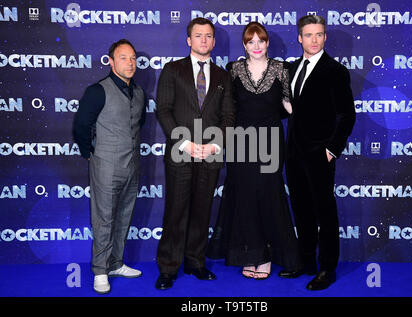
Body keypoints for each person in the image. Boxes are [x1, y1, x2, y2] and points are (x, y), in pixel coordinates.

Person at [207, 22, 301, 280]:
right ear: (245, 45)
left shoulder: (282, 69)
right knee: (245, 198)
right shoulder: (233, 69)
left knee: (269, 196)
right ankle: (251, 255)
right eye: (251, 42)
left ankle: (270, 256)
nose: (256, 46)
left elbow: (288, 104)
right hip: (240, 141)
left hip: (270, 141)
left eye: (261, 40)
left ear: (267, 43)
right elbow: (227, 106)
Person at [154, 17, 235, 290]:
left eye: (208, 36)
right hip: (180, 152)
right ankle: (168, 268)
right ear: (189, 40)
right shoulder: (172, 70)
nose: (204, 40)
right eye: (198, 35)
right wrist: (185, 143)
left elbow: (228, 116)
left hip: (211, 154)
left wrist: (214, 145)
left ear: (214, 41)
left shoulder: (224, 76)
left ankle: (195, 262)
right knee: (175, 212)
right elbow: (163, 110)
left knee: (202, 211)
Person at [282, 15, 356, 290]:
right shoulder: (290, 69)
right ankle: (306, 262)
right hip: (293, 154)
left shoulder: (335, 71)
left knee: (324, 212)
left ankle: (327, 268)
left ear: (325, 37)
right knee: (301, 210)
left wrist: (331, 150)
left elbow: (347, 115)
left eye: (319, 34)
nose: (315, 40)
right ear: (299, 38)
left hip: (319, 154)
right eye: (309, 35)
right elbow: (288, 110)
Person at [73, 39, 146, 294]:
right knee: (103, 219)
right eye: (124, 58)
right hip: (105, 164)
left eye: (133, 58)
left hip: (132, 165)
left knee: (124, 216)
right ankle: (100, 271)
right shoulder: (98, 90)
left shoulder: (138, 92)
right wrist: (89, 153)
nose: (130, 63)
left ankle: (116, 263)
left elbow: (139, 123)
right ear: (111, 61)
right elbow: (81, 126)